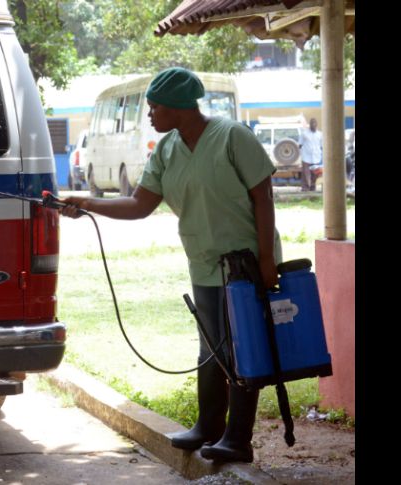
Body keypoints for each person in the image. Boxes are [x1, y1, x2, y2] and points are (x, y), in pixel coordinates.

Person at [59, 67, 282, 463]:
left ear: (178, 107)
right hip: (205, 263)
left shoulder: (232, 136)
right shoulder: (166, 149)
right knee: (211, 349)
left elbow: (263, 196)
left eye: (154, 107)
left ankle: (238, 439)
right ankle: (208, 426)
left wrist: (267, 259)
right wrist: (88, 203)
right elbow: (140, 205)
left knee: (242, 347)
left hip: (246, 264)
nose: (149, 115)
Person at [299, 118, 322, 191]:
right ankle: (305, 188)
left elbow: (322, 146)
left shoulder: (320, 134)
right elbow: (300, 145)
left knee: (315, 174)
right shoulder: (304, 134)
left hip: (316, 157)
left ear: (317, 125)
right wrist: (302, 153)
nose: (313, 125)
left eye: (315, 123)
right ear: (310, 125)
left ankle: (313, 188)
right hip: (306, 157)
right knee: (305, 174)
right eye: (312, 123)